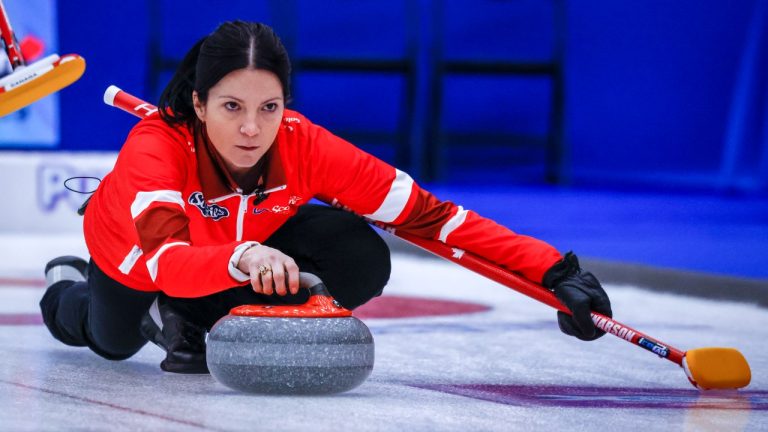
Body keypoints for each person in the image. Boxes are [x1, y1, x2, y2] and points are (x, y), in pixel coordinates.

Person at [40, 21, 612, 374]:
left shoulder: (303, 145)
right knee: (110, 342)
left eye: (269, 107)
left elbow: (431, 218)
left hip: (238, 250)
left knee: (358, 254)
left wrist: (553, 271)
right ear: (199, 103)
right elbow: (165, 259)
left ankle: (195, 319)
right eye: (231, 107)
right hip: (136, 253)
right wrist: (242, 257)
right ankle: (68, 288)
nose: (251, 130)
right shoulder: (156, 147)